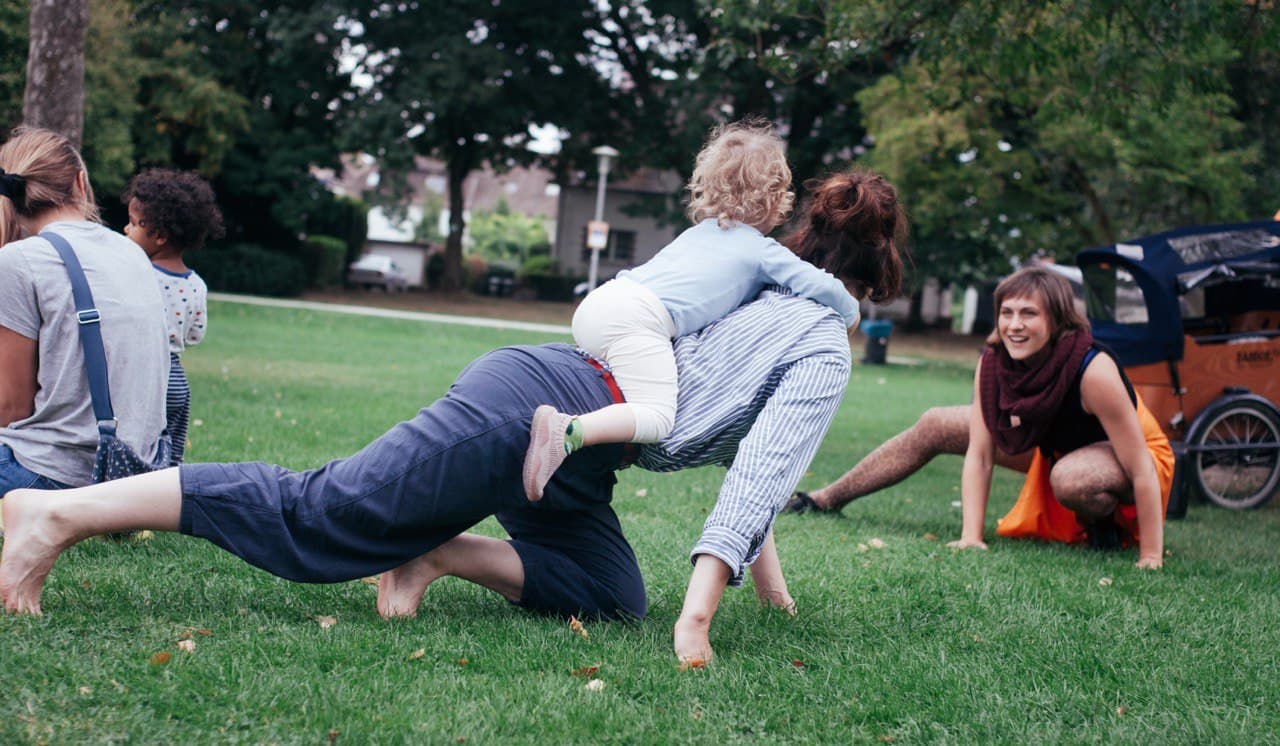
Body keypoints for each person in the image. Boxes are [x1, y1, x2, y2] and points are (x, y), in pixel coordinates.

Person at [1, 168, 907, 664]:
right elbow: (761, 474)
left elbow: (751, 462)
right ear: (867, 289)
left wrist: (771, 595)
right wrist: (700, 619)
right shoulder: (818, 337)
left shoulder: (759, 292)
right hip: (534, 409)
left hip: (577, 445)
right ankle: (57, 514)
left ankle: (432, 553)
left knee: (609, 594)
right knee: (324, 511)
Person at [523, 120, 864, 501]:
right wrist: (851, 313)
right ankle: (568, 432)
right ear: (775, 199)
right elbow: (820, 285)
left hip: (602, 301)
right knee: (656, 418)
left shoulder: (695, 234)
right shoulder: (762, 251)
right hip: (638, 319)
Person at [786, 267, 1174, 569]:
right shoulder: (995, 360)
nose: (1014, 325)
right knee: (936, 422)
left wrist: (1151, 556)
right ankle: (823, 500)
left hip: (1132, 457)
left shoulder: (1094, 370)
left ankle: (1105, 525)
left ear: (1057, 320)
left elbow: (1140, 464)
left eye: (1029, 314)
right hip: (1052, 446)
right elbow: (982, 452)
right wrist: (972, 536)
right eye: (1007, 313)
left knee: (1074, 478)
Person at [0, 127, 170, 497]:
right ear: (80, 182)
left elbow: (11, 407)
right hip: (134, 473)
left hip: (53, 475)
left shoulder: (19, 260)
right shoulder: (132, 253)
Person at [123, 169, 225, 465]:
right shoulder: (196, 284)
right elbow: (195, 334)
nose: (126, 230)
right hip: (176, 380)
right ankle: (167, 485)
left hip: (143, 373)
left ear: (159, 236)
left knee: (132, 445)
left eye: (133, 224)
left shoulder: (138, 274)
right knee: (170, 454)